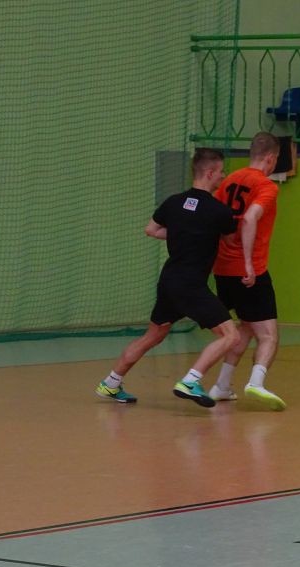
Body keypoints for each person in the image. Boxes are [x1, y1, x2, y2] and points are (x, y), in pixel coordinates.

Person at [96, 148, 239, 408]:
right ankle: (191, 381)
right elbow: (231, 240)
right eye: (221, 171)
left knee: (153, 336)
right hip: (190, 285)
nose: (223, 175)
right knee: (231, 335)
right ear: (209, 173)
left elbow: (151, 230)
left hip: (169, 280)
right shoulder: (219, 211)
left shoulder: (173, 202)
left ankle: (111, 383)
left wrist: (180, 233)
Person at [206, 132, 287, 411]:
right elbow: (251, 217)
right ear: (271, 158)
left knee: (246, 328)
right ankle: (256, 382)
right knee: (269, 335)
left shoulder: (229, 180)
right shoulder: (266, 186)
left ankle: (222, 386)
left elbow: (214, 216)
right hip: (248, 271)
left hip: (223, 269)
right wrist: (250, 263)